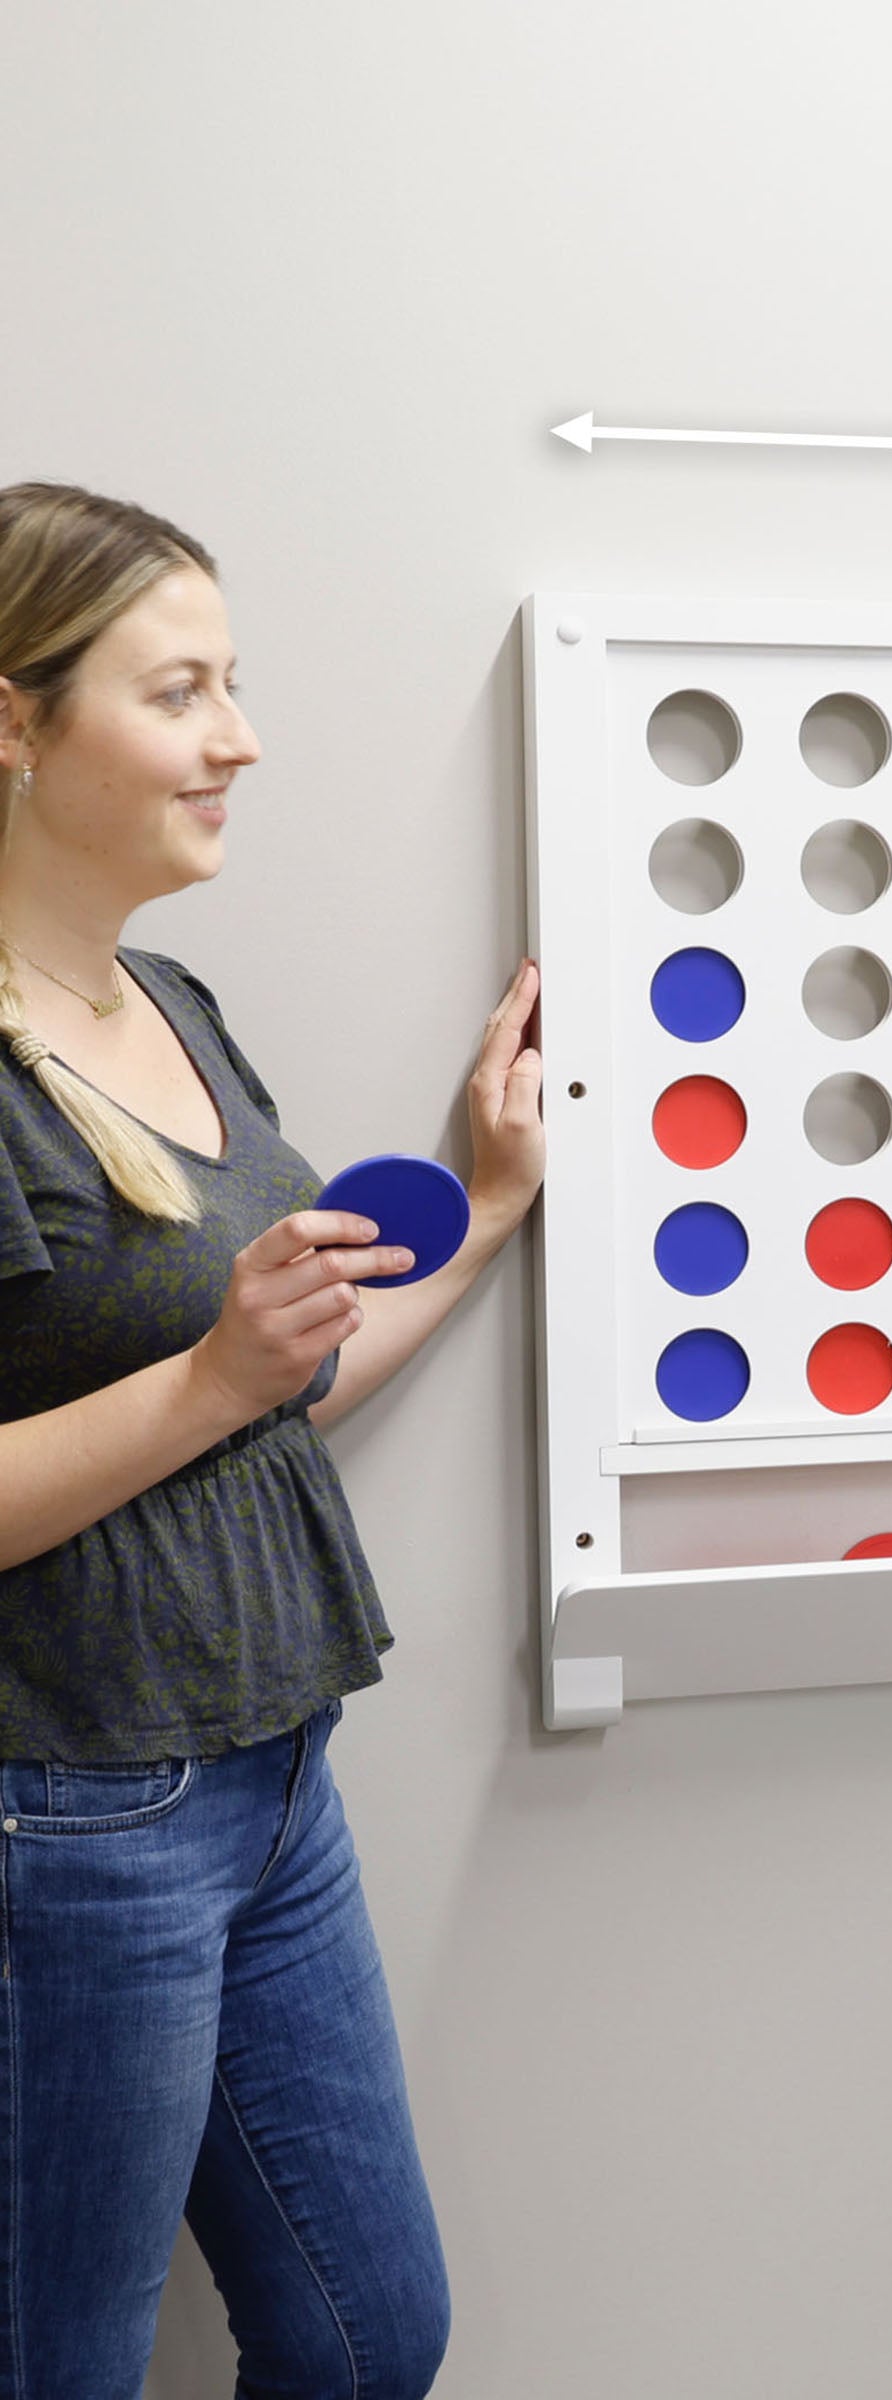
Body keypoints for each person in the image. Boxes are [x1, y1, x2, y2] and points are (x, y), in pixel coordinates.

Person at [0, 481, 543, 2395]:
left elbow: (269, 1394)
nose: (240, 739)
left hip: (270, 1775)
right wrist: (221, 1378)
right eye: (180, 693)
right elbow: (226, 1387)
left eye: (232, 683)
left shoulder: (169, 1003)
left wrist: (483, 1210)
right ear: (13, 721)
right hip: (67, 1817)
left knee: (366, 2332)